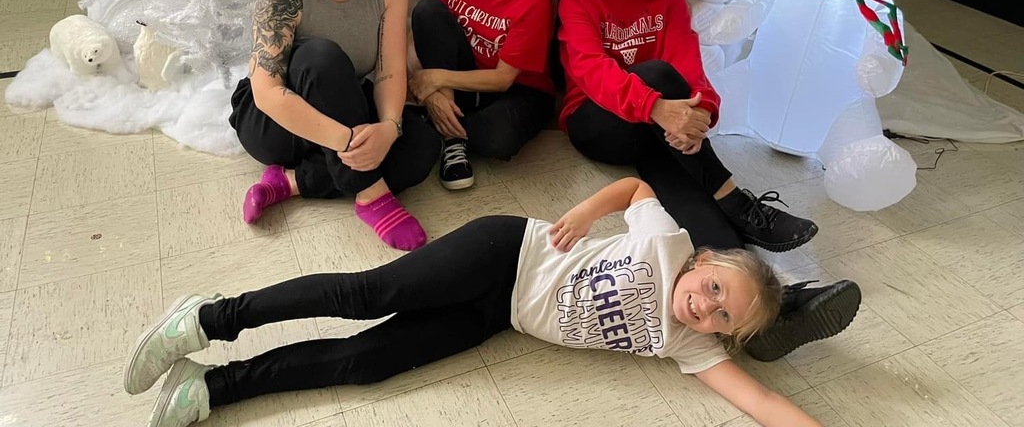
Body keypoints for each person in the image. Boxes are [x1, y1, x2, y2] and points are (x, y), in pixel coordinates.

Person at [125, 178, 860, 427]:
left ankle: (213, 389)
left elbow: (762, 402)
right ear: (701, 264)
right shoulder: (667, 245)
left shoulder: (690, 346)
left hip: (497, 316)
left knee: (367, 364)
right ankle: (208, 318)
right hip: (507, 251)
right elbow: (637, 188)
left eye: (724, 317)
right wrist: (583, 214)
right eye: (714, 290)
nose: (705, 308)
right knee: (369, 294)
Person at [558, 0, 820, 256]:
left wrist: (701, 111)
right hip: (596, 122)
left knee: (679, 176)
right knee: (658, 74)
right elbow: (592, 70)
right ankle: (738, 202)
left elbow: (686, 59)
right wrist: (657, 107)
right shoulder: (577, 0)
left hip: (654, 123)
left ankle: (737, 264)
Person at [228, 0, 440, 252]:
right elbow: (267, 92)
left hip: (344, 104)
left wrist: (389, 128)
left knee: (422, 146)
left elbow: (389, 72)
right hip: (278, 123)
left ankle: (291, 182)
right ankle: (371, 194)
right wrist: (350, 144)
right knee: (320, 57)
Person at [409, 0, 554, 190]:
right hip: (464, 79)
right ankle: (452, 139)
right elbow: (420, 37)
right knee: (427, 10)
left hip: (517, 88)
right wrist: (434, 94)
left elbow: (503, 78)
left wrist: (433, 79)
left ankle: (444, 125)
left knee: (499, 138)